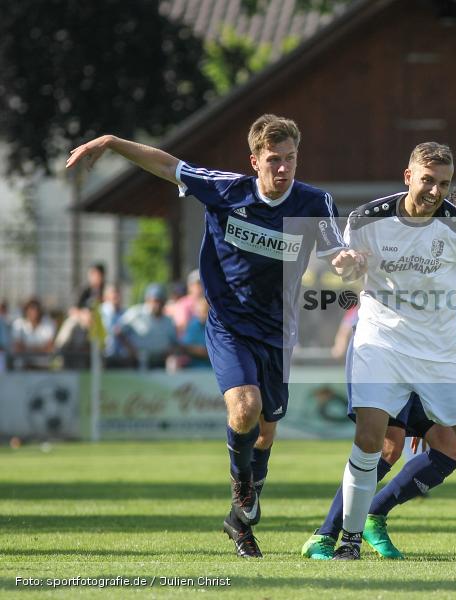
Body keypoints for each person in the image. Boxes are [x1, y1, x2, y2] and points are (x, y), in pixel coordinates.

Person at [66, 114, 363, 558]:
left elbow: (334, 249)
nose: (283, 169)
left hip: (278, 332)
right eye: (274, 160)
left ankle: (239, 519)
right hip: (228, 323)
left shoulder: (313, 202)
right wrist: (111, 141)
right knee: (245, 407)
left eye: (291, 159)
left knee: (265, 430)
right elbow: (168, 166)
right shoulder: (226, 190)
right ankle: (242, 487)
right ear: (255, 161)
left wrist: (347, 261)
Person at [330, 143, 456, 561]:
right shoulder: (366, 219)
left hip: (440, 353)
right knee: (371, 440)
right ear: (408, 176)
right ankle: (349, 541)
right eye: (427, 180)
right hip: (381, 343)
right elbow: (348, 273)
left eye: (444, 183)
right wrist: (348, 267)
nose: (435, 191)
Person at [116, 283, 180, 369]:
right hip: (137, 361)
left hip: (161, 362)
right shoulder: (136, 313)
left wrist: (170, 352)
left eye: (160, 301)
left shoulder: (168, 321)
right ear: (147, 300)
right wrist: (131, 350)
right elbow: (118, 331)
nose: (157, 305)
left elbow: (174, 343)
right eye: (155, 301)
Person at [11, 297, 57, 368]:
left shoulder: (49, 323)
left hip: (44, 366)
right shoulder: (18, 324)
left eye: (36, 308)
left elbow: (50, 347)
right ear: (26, 310)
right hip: (22, 366)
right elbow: (17, 347)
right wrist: (40, 349)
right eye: (31, 308)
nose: (34, 311)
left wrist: (27, 349)